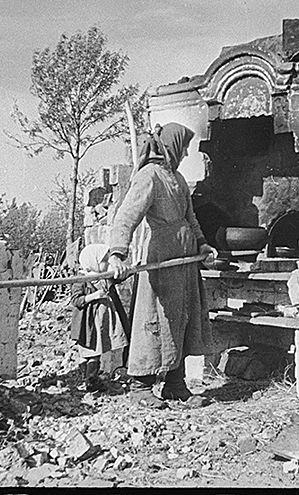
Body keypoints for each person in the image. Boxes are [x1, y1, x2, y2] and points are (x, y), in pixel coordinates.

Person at [108, 122, 218, 408]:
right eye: (183, 148)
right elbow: (126, 216)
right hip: (162, 257)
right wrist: (118, 254)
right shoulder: (149, 176)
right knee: (154, 319)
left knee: (181, 318)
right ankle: (140, 385)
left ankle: (175, 384)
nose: (185, 154)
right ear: (172, 146)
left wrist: (202, 243)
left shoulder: (178, 179)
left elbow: (190, 218)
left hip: (185, 258)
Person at [69, 243, 129, 393]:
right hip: (90, 324)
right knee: (91, 352)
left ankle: (92, 379)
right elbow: (76, 300)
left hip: (103, 322)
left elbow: (118, 278)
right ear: (93, 261)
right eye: (104, 261)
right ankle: (90, 382)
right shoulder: (81, 280)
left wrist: (131, 268)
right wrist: (94, 296)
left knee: (98, 350)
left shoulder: (103, 278)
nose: (107, 264)